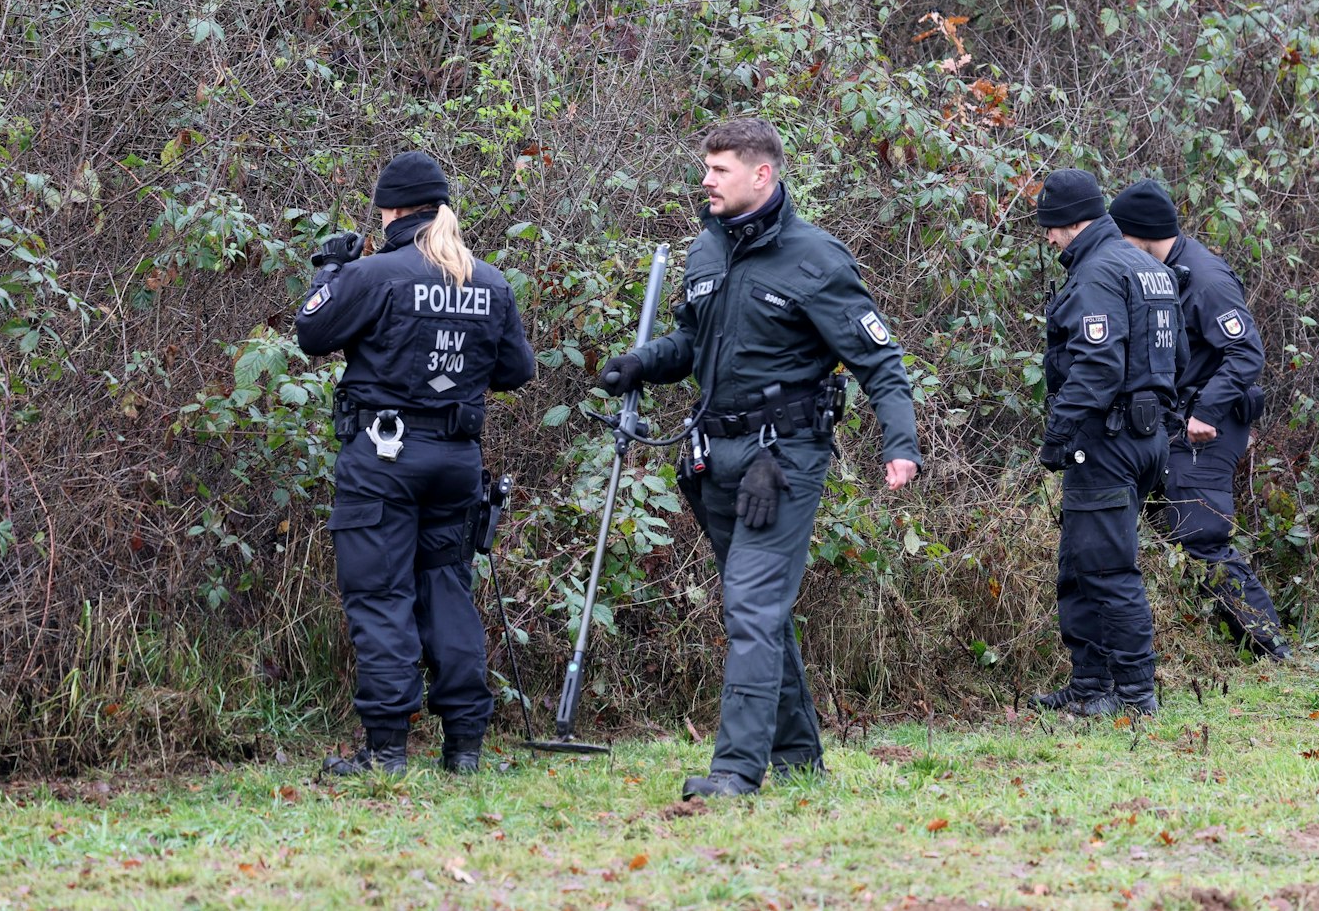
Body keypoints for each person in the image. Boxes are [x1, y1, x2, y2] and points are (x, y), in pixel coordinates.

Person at [597, 118, 921, 799]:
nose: (705, 180)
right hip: (715, 454)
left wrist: (901, 445)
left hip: (784, 460)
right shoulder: (707, 251)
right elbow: (690, 341)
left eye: (719, 169)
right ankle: (800, 759)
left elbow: (880, 361)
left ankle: (736, 771)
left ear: (762, 175)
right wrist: (639, 364)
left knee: (750, 607)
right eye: (706, 167)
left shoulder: (816, 259)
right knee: (759, 611)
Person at [296, 151, 537, 774]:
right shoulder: (487, 280)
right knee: (448, 591)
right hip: (456, 460)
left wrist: (329, 272)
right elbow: (517, 371)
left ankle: (386, 751)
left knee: (380, 596)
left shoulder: (377, 273)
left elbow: (313, 335)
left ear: (391, 210)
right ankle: (464, 750)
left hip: (383, 458)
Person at [1111, 180, 1290, 660]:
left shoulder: (1206, 279)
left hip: (1209, 424)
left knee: (1201, 535)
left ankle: (1273, 649)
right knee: (1169, 526)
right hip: (1177, 420)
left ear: (1142, 233)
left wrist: (1206, 411)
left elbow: (1246, 351)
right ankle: (1233, 643)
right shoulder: (1160, 270)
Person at [1032, 169, 1186, 717]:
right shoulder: (1151, 270)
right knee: (1081, 560)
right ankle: (1091, 683)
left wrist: (1060, 433)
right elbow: (1178, 360)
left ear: (1073, 223)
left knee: (1108, 568)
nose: (1050, 239)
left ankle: (1133, 693)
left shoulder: (1098, 273)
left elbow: (1097, 365)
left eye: (1052, 228)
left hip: (1106, 438)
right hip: (1146, 437)